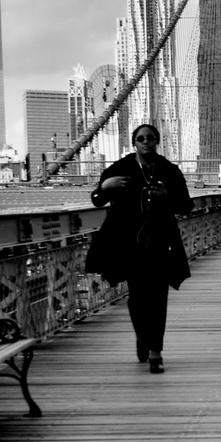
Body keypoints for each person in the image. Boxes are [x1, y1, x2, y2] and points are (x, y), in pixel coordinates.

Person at [84, 123, 194, 374]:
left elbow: (186, 206)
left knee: (157, 298)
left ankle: (156, 352)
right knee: (136, 298)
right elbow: (96, 199)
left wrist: (168, 196)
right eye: (141, 138)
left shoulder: (169, 170)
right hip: (127, 244)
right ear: (135, 143)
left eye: (151, 138)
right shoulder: (120, 168)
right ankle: (144, 337)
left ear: (157, 142)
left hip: (159, 244)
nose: (146, 142)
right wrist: (105, 187)